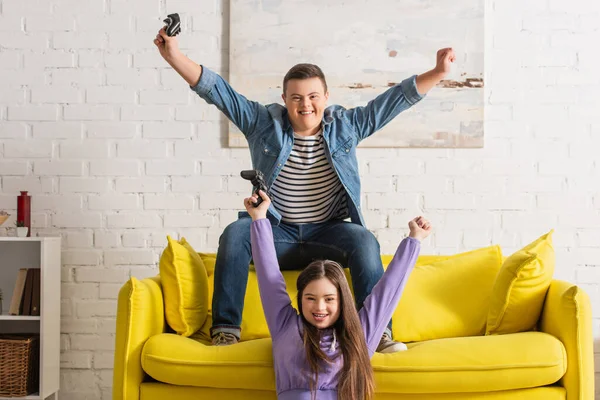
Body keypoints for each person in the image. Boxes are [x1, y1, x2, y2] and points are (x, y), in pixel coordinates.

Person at [154, 27, 453, 352]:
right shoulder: (262, 123)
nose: (305, 104)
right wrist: (173, 55)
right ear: (285, 100)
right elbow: (217, 91)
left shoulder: (346, 127)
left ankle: (378, 333)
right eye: (296, 97)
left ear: (326, 97)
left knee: (364, 239)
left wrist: (437, 72)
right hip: (276, 235)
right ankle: (226, 331)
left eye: (312, 96)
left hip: (329, 236)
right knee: (236, 232)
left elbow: (391, 102)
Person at [245, 190, 431, 400]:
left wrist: (414, 240)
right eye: (310, 298)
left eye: (329, 299)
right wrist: (260, 218)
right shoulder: (285, 325)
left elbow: (387, 292)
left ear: (342, 301)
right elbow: (268, 275)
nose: (319, 307)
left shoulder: (359, 333)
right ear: (300, 298)